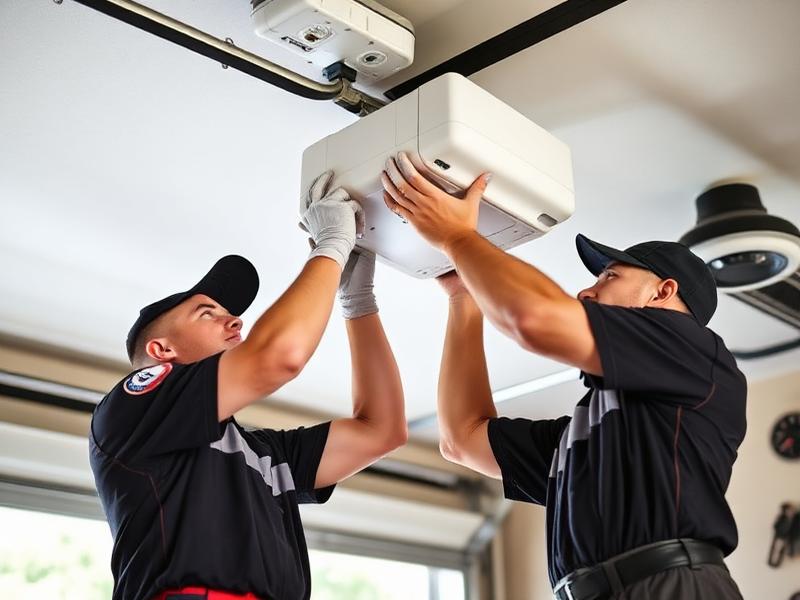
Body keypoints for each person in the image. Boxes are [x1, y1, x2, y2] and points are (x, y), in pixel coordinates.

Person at [381, 152, 746, 600]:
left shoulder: (694, 351)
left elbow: (535, 319)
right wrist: (463, 297)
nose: (586, 291)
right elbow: (462, 439)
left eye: (610, 276)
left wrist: (458, 237)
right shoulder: (589, 435)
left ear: (663, 291)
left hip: (669, 585)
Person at [89, 171, 407, 600]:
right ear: (162, 350)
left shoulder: (264, 455)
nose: (235, 322)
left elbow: (382, 430)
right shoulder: (131, 409)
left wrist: (358, 300)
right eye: (207, 313)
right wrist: (331, 245)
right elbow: (278, 357)